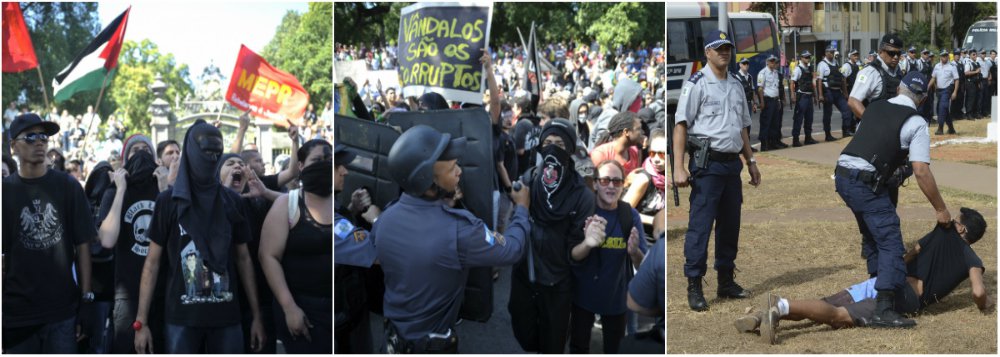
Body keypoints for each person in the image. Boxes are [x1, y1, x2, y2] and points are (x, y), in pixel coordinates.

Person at [371, 125, 530, 353]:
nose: (459, 172)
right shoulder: (458, 229)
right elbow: (512, 250)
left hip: (393, 340)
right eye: (452, 168)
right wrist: (522, 208)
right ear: (427, 181)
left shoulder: (386, 217)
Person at [736, 208, 990, 344]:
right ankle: (780, 305)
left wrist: (892, 270)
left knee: (830, 303)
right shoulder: (972, 260)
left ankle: (762, 315)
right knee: (838, 317)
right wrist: (985, 305)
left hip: (889, 278)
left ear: (961, 227)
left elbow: (912, 253)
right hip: (904, 296)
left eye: (957, 220)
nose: (953, 221)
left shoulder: (940, 233)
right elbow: (978, 292)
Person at [133, 120, 266, 353]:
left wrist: (256, 316)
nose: (212, 158)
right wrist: (140, 323)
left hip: (227, 319)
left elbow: (243, 260)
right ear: (192, 153)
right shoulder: (169, 202)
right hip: (181, 321)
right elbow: (152, 264)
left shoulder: (231, 201)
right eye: (206, 151)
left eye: (217, 152)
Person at [834, 72, 951, 329]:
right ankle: (884, 308)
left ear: (899, 88)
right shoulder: (917, 122)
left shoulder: (875, 106)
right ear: (922, 100)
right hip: (865, 181)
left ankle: (877, 286)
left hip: (842, 175)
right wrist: (941, 209)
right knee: (890, 241)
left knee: (873, 234)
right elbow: (921, 170)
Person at [672, 30, 760, 312]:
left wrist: (751, 162)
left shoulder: (736, 84)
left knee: (730, 225)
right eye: (718, 49)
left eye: (728, 49)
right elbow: (681, 125)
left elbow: (742, 128)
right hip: (707, 166)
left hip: (731, 164)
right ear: (707, 53)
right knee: (700, 226)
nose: (724, 53)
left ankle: (725, 280)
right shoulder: (696, 84)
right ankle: (695, 284)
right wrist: (678, 167)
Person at [3, 113, 95, 353]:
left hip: (62, 312)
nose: (39, 142)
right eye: (30, 137)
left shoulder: (68, 186)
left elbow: (83, 245)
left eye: (43, 136)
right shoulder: (5, 192)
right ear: (13, 146)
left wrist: (86, 299)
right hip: (16, 314)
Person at [509, 119, 594, 353]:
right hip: (525, 276)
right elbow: (515, 221)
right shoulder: (530, 179)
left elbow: (576, 249)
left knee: (552, 344)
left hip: (557, 283)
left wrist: (587, 243)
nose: (553, 149)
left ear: (570, 149)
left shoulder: (582, 195)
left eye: (559, 143)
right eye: (547, 143)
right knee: (524, 332)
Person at [94, 134, 170, 353]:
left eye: (146, 150)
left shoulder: (165, 189)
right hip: (127, 294)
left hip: (163, 291)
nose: (141, 155)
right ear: (125, 159)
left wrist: (165, 188)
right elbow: (107, 240)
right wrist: (120, 190)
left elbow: (174, 236)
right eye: (135, 150)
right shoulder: (114, 192)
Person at [259, 140, 332, 353]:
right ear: (301, 166)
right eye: (317, 160)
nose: (324, 164)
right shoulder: (287, 205)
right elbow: (268, 257)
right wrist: (289, 308)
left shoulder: (339, 200)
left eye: (329, 160)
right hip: (303, 312)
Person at [568, 160, 646, 354]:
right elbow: (572, 256)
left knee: (614, 349)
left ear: (623, 185)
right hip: (582, 296)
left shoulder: (630, 215)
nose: (611, 186)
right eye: (604, 180)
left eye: (616, 181)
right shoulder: (584, 210)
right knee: (579, 347)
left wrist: (634, 251)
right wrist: (587, 243)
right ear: (595, 183)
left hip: (616, 298)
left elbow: (642, 263)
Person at [333, 144, 379, 353]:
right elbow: (377, 252)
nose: (345, 171)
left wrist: (351, 209)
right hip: (344, 312)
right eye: (337, 166)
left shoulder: (331, 206)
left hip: (352, 304)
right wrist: (377, 220)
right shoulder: (327, 217)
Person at [848, 34, 904, 119]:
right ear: (880, 51)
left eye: (898, 53)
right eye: (891, 53)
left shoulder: (898, 71)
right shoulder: (870, 72)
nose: (896, 57)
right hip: (875, 129)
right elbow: (853, 101)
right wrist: (873, 123)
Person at [623, 128, 666, 230]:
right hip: (643, 239)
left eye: (662, 154)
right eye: (652, 153)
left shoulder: (666, 177)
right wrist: (654, 220)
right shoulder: (644, 179)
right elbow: (624, 212)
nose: (656, 160)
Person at [818, 45, 853, 141]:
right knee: (828, 113)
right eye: (830, 52)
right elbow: (819, 81)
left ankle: (845, 131)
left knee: (847, 110)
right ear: (826, 53)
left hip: (838, 91)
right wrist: (820, 95)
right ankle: (827, 134)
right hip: (828, 91)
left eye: (833, 52)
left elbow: (842, 79)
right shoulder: (822, 64)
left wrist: (845, 93)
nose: (832, 54)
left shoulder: (836, 63)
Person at [928, 49, 961, 135]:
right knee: (942, 109)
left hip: (948, 89)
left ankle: (940, 128)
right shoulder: (937, 66)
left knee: (942, 106)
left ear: (948, 56)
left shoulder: (952, 66)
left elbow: (956, 80)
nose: (945, 57)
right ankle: (951, 128)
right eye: (943, 55)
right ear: (940, 56)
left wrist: (955, 92)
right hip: (939, 90)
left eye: (946, 55)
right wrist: (928, 87)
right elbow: (933, 78)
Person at [790, 50, 818, 146]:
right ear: (801, 58)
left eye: (808, 57)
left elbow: (812, 83)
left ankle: (808, 137)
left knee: (809, 118)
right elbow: (792, 82)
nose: (807, 59)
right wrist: (792, 95)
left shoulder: (810, 69)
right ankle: (795, 139)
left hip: (809, 96)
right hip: (802, 96)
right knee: (798, 119)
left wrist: (815, 96)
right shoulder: (798, 69)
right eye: (805, 57)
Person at [757, 55, 785, 150]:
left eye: (774, 61)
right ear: (767, 62)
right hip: (767, 100)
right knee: (766, 123)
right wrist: (762, 101)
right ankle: (764, 144)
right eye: (771, 61)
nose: (773, 63)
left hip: (775, 100)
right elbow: (760, 88)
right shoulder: (763, 73)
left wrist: (779, 100)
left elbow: (777, 87)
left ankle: (772, 143)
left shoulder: (776, 73)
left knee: (775, 123)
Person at [963, 49, 982, 120]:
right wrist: (975, 71)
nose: (975, 56)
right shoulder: (968, 63)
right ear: (970, 55)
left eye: (976, 54)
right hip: (970, 83)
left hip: (976, 83)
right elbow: (966, 73)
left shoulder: (976, 63)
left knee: (976, 99)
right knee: (970, 99)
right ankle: (969, 114)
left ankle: (974, 113)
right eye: (973, 54)